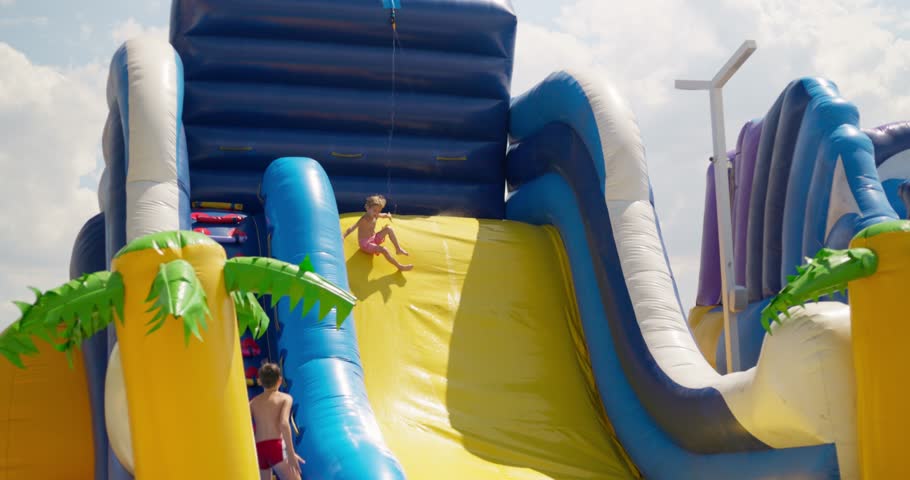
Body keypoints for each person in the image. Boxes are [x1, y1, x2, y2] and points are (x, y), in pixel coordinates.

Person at [250, 363, 305, 480]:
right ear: (280, 380)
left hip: (259, 449)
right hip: (276, 447)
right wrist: (291, 453)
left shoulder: (253, 403)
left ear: (260, 381)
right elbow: (284, 424)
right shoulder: (285, 398)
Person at [344, 194, 413, 271]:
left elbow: (382, 215)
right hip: (365, 244)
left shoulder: (375, 215)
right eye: (374, 210)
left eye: (378, 211)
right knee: (384, 250)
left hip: (373, 238)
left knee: (389, 229)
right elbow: (352, 228)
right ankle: (399, 266)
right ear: (367, 208)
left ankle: (398, 249)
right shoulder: (364, 219)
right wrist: (343, 236)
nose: (376, 213)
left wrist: (387, 215)